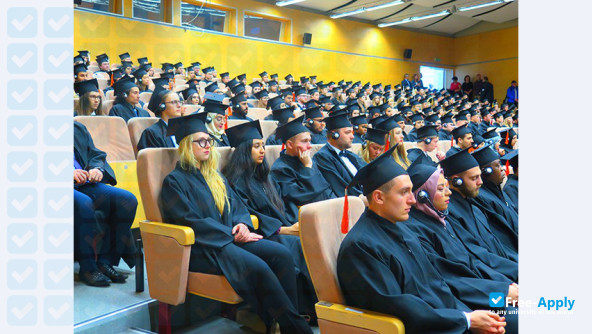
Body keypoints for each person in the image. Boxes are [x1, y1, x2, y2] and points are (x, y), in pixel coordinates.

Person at [159, 113, 313, 334]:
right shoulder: (174, 181)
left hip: (231, 239)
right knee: (260, 267)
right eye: (200, 141)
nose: (207, 146)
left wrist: (242, 225)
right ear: (185, 145)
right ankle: (295, 328)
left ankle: (278, 322)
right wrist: (231, 234)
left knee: (282, 254)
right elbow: (190, 221)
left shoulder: (216, 177)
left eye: (209, 141)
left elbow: (238, 207)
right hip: (206, 247)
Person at [337, 146, 509, 334]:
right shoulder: (361, 247)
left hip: (451, 317)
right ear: (378, 197)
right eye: (404, 192)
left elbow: (440, 283)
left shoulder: (404, 230)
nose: (412, 200)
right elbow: (397, 308)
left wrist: (472, 315)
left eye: (412, 191)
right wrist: (466, 320)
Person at [223, 120, 318, 320]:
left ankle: (313, 306)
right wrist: (282, 230)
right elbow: (250, 215)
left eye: (263, 146)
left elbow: (280, 206)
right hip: (262, 235)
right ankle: (301, 310)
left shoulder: (264, 176)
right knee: (296, 245)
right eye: (256, 146)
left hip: (279, 229)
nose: (262, 151)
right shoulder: (235, 180)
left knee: (308, 243)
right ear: (243, 150)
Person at [403, 156, 519, 320]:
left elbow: (473, 260)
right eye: (441, 188)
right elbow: (448, 279)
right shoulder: (416, 232)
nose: (449, 192)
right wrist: (501, 293)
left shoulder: (442, 221)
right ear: (422, 195)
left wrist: (506, 284)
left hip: (483, 291)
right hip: (468, 304)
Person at [74, 121, 137, 287]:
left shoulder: (77, 128)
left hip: (84, 183)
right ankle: (88, 269)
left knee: (127, 201)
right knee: (85, 204)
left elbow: (96, 154)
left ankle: (105, 262)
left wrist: (96, 169)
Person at [440, 149, 518, 281]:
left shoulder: (475, 208)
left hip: (504, 269)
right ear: (456, 181)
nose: (480, 182)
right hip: (492, 278)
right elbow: (476, 255)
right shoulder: (450, 214)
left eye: (480, 176)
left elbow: (497, 245)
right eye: (474, 178)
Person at [270, 116, 335, 223]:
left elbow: (325, 188)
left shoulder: (307, 160)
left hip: (325, 212)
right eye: (305, 141)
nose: (309, 146)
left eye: (310, 141)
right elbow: (302, 196)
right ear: (290, 144)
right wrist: (308, 167)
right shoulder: (280, 169)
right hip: (307, 218)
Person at [470, 145, 518, 256]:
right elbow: (502, 237)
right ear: (486, 172)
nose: (502, 169)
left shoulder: (500, 193)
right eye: (497, 165)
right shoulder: (481, 198)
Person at [313, 112, 366, 197]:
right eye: (348, 132)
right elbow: (341, 188)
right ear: (334, 135)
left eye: (352, 133)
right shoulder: (322, 157)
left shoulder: (351, 155)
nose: (352, 136)